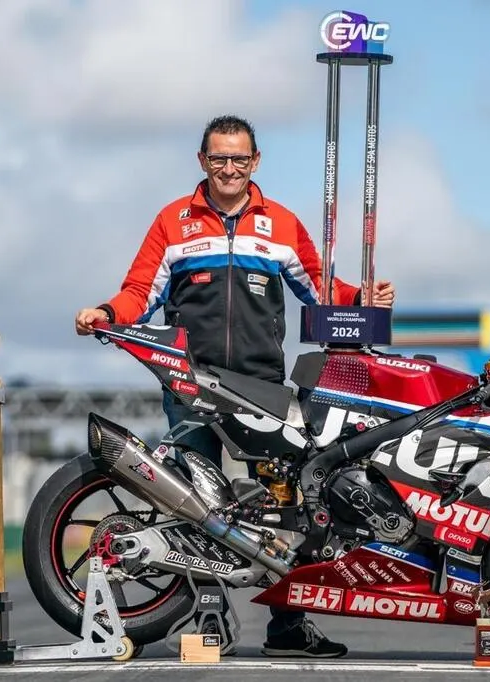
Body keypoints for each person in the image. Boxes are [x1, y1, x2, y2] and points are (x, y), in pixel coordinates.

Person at [75, 114, 395, 658]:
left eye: (239, 158)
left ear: (255, 161)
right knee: (193, 505)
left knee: (287, 505)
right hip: (189, 381)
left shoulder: (283, 224)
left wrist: (362, 299)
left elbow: (321, 289)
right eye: (219, 158)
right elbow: (139, 292)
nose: (229, 168)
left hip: (261, 387)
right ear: (202, 161)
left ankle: (288, 627)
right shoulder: (172, 222)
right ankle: (206, 619)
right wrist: (106, 313)